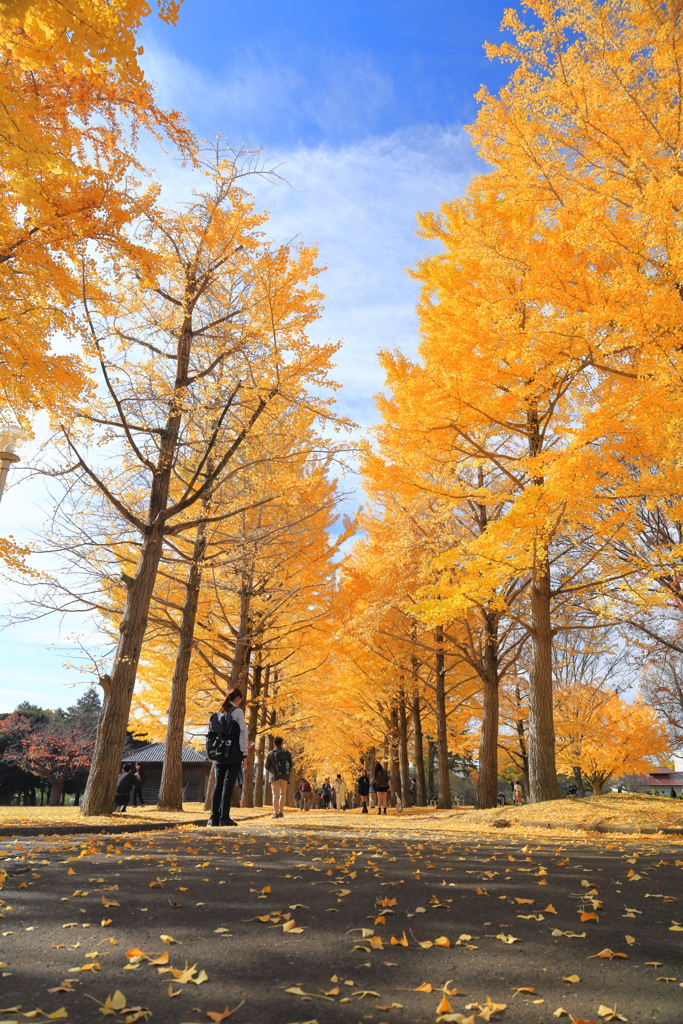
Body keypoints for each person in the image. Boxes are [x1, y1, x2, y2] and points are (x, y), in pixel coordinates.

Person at [208, 687, 248, 827]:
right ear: (237, 699)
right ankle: (224, 817)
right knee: (228, 785)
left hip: (219, 754)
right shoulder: (238, 712)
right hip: (233, 753)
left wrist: (214, 757)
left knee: (218, 785)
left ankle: (213, 817)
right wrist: (244, 753)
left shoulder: (220, 711)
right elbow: (242, 733)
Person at [265, 736, 293, 820]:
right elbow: (291, 764)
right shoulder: (286, 753)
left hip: (274, 776)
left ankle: (275, 813)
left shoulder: (270, 753)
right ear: (281, 743)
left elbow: (266, 766)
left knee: (275, 795)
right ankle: (281, 812)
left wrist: (272, 771)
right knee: (282, 793)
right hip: (284, 776)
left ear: (274, 744)